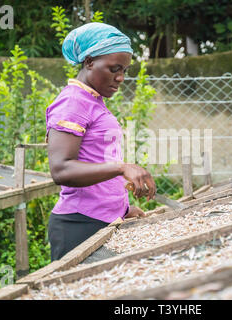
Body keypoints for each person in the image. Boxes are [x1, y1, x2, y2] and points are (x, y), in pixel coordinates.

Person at [46, 22, 156, 261]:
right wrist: (122, 167)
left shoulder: (93, 101)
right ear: (89, 62)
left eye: (125, 70)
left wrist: (122, 209)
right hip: (79, 225)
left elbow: (95, 161)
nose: (121, 77)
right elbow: (61, 169)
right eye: (114, 68)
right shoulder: (73, 102)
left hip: (101, 220)